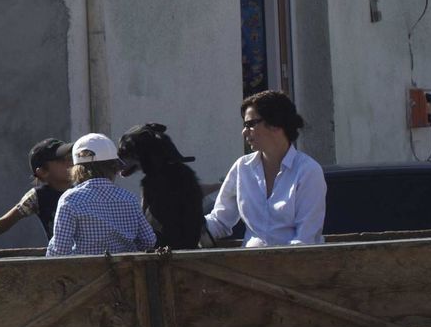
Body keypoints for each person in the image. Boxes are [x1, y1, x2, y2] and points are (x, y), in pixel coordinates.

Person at [205, 89, 326, 246]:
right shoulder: (242, 167)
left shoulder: (308, 171)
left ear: (275, 124)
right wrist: (185, 226)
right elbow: (219, 221)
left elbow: (305, 238)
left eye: (250, 124)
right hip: (247, 267)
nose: (244, 132)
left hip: (295, 266)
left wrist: (273, 265)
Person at [46, 133, 157, 256]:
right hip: (126, 272)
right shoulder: (129, 198)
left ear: (77, 169)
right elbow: (148, 240)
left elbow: (60, 250)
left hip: (85, 272)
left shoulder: (70, 199)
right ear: (114, 167)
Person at [115, 122, 206, 250]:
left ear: (144, 155)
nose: (119, 163)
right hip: (189, 251)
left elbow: (143, 230)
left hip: (160, 257)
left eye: (125, 155)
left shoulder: (151, 184)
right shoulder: (187, 176)